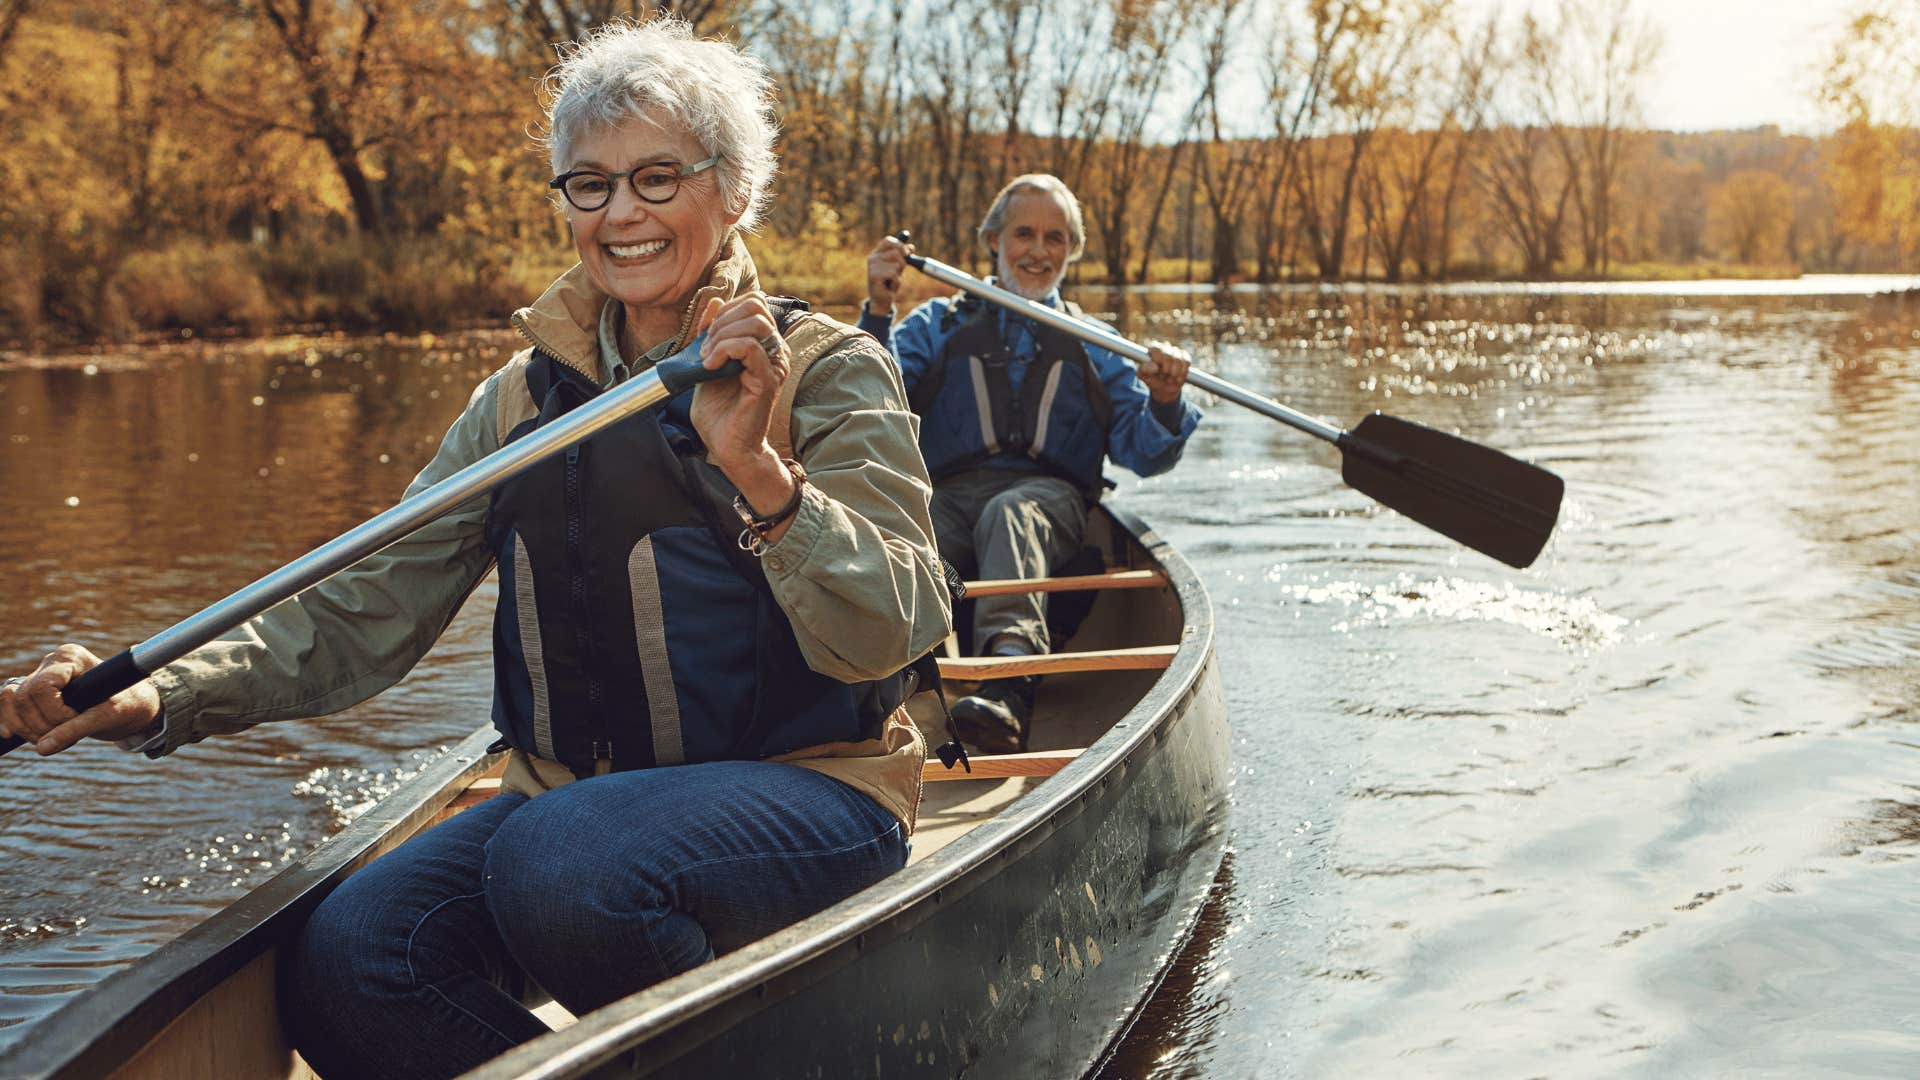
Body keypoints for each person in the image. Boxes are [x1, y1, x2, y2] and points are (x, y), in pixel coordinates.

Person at [0, 18, 949, 1080]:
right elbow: (360, 607)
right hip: (569, 812)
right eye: (588, 185)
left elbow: (899, 626)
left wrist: (764, 480)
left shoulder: (829, 368)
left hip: (810, 793)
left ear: (731, 192)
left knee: (564, 866)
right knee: (353, 963)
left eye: (656, 178)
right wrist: (154, 695)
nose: (621, 213)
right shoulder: (515, 404)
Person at [861, 174, 1200, 754]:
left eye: (1056, 238)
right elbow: (869, 402)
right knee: (904, 522)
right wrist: (879, 309)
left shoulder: (1096, 342)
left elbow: (1144, 451)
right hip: (949, 497)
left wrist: (1166, 400)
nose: (1039, 251)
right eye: (1024, 233)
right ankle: (880, 683)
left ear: (1071, 251)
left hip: (1050, 503)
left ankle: (1009, 683)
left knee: (1010, 512)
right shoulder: (935, 324)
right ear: (993, 240)